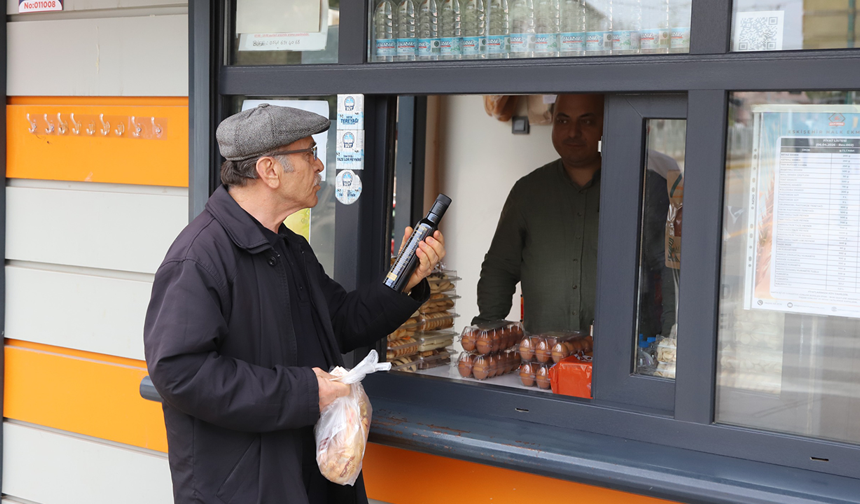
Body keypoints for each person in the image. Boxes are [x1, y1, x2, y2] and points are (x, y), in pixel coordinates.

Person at [144, 104, 446, 504]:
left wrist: (403, 281)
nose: (320, 165)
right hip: (241, 490)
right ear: (269, 170)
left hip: (307, 476)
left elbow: (340, 320)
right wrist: (303, 392)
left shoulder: (289, 247)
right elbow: (180, 372)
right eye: (310, 153)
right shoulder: (199, 258)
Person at [473, 94, 604, 334]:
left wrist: (669, 337)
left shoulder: (635, 189)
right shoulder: (528, 191)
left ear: (604, 125)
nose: (573, 132)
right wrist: (488, 333)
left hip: (620, 351)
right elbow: (500, 268)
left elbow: (665, 270)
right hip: (542, 351)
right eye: (563, 121)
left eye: (586, 121)